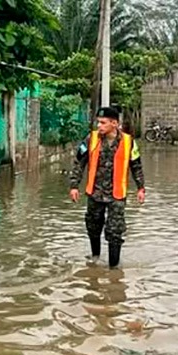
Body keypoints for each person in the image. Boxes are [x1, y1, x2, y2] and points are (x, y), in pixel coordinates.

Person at [69, 107, 145, 268]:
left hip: (117, 194)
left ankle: (114, 269)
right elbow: (79, 163)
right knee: (93, 225)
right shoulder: (91, 139)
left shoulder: (128, 141)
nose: (99, 126)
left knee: (115, 231)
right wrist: (74, 185)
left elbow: (136, 165)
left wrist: (140, 188)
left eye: (103, 123)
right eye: (98, 122)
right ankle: (95, 258)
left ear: (114, 123)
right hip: (95, 192)